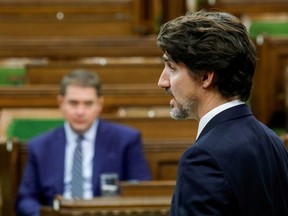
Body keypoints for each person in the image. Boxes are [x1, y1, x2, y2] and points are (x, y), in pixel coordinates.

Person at [157, 10, 288, 216]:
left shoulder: (202, 158)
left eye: (171, 67)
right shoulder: (272, 141)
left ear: (206, 77)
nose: (162, 81)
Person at [15, 69, 151, 216]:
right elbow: (25, 200)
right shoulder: (40, 146)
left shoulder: (126, 140)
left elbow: (140, 191)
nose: (80, 111)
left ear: (99, 104)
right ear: (61, 103)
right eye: (73, 103)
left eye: (88, 104)